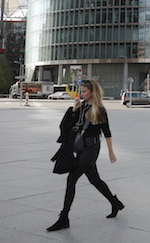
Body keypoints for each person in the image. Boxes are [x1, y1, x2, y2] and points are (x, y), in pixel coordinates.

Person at [47, 80, 124, 232]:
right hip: (81, 148)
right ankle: (115, 203)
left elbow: (107, 133)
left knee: (72, 179)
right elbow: (67, 127)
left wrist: (111, 152)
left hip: (91, 149)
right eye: (81, 91)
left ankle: (64, 218)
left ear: (92, 92)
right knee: (95, 180)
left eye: (84, 92)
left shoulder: (99, 110)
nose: (81, 94)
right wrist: (74, 110)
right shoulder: (81, 107)